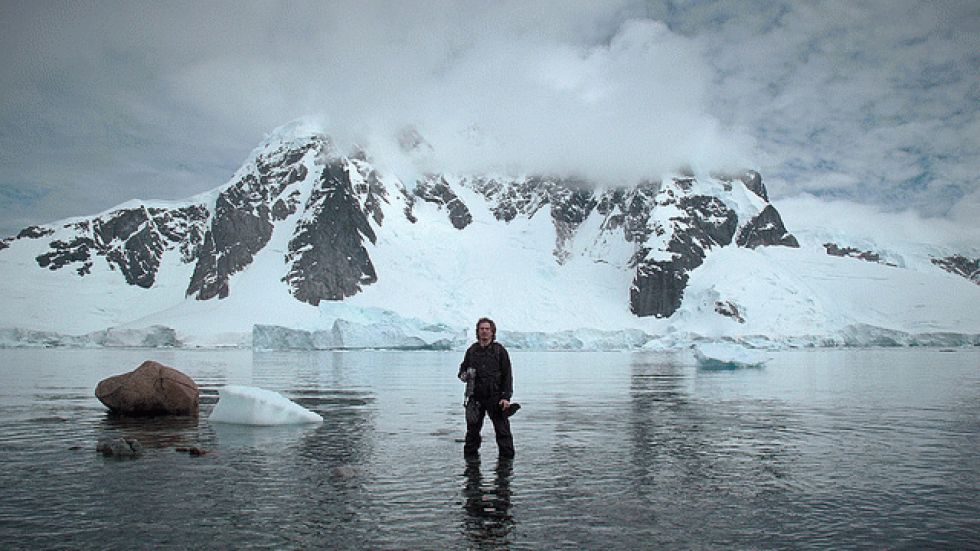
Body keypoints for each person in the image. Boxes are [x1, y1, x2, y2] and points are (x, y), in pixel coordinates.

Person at [458, 317, 515, 458]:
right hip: (475, 398)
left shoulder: (499, 351)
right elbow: (462, 369)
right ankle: (471, 469)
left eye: (487, 329)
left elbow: (507, 375)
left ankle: (506, 469)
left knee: (503, 433)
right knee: (472, 434)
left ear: (492, 332)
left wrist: (505, 397)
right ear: (477, 331)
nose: (484, 331)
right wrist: (463, 375)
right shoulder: (472, 351)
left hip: (495, 398)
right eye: (481, 329)